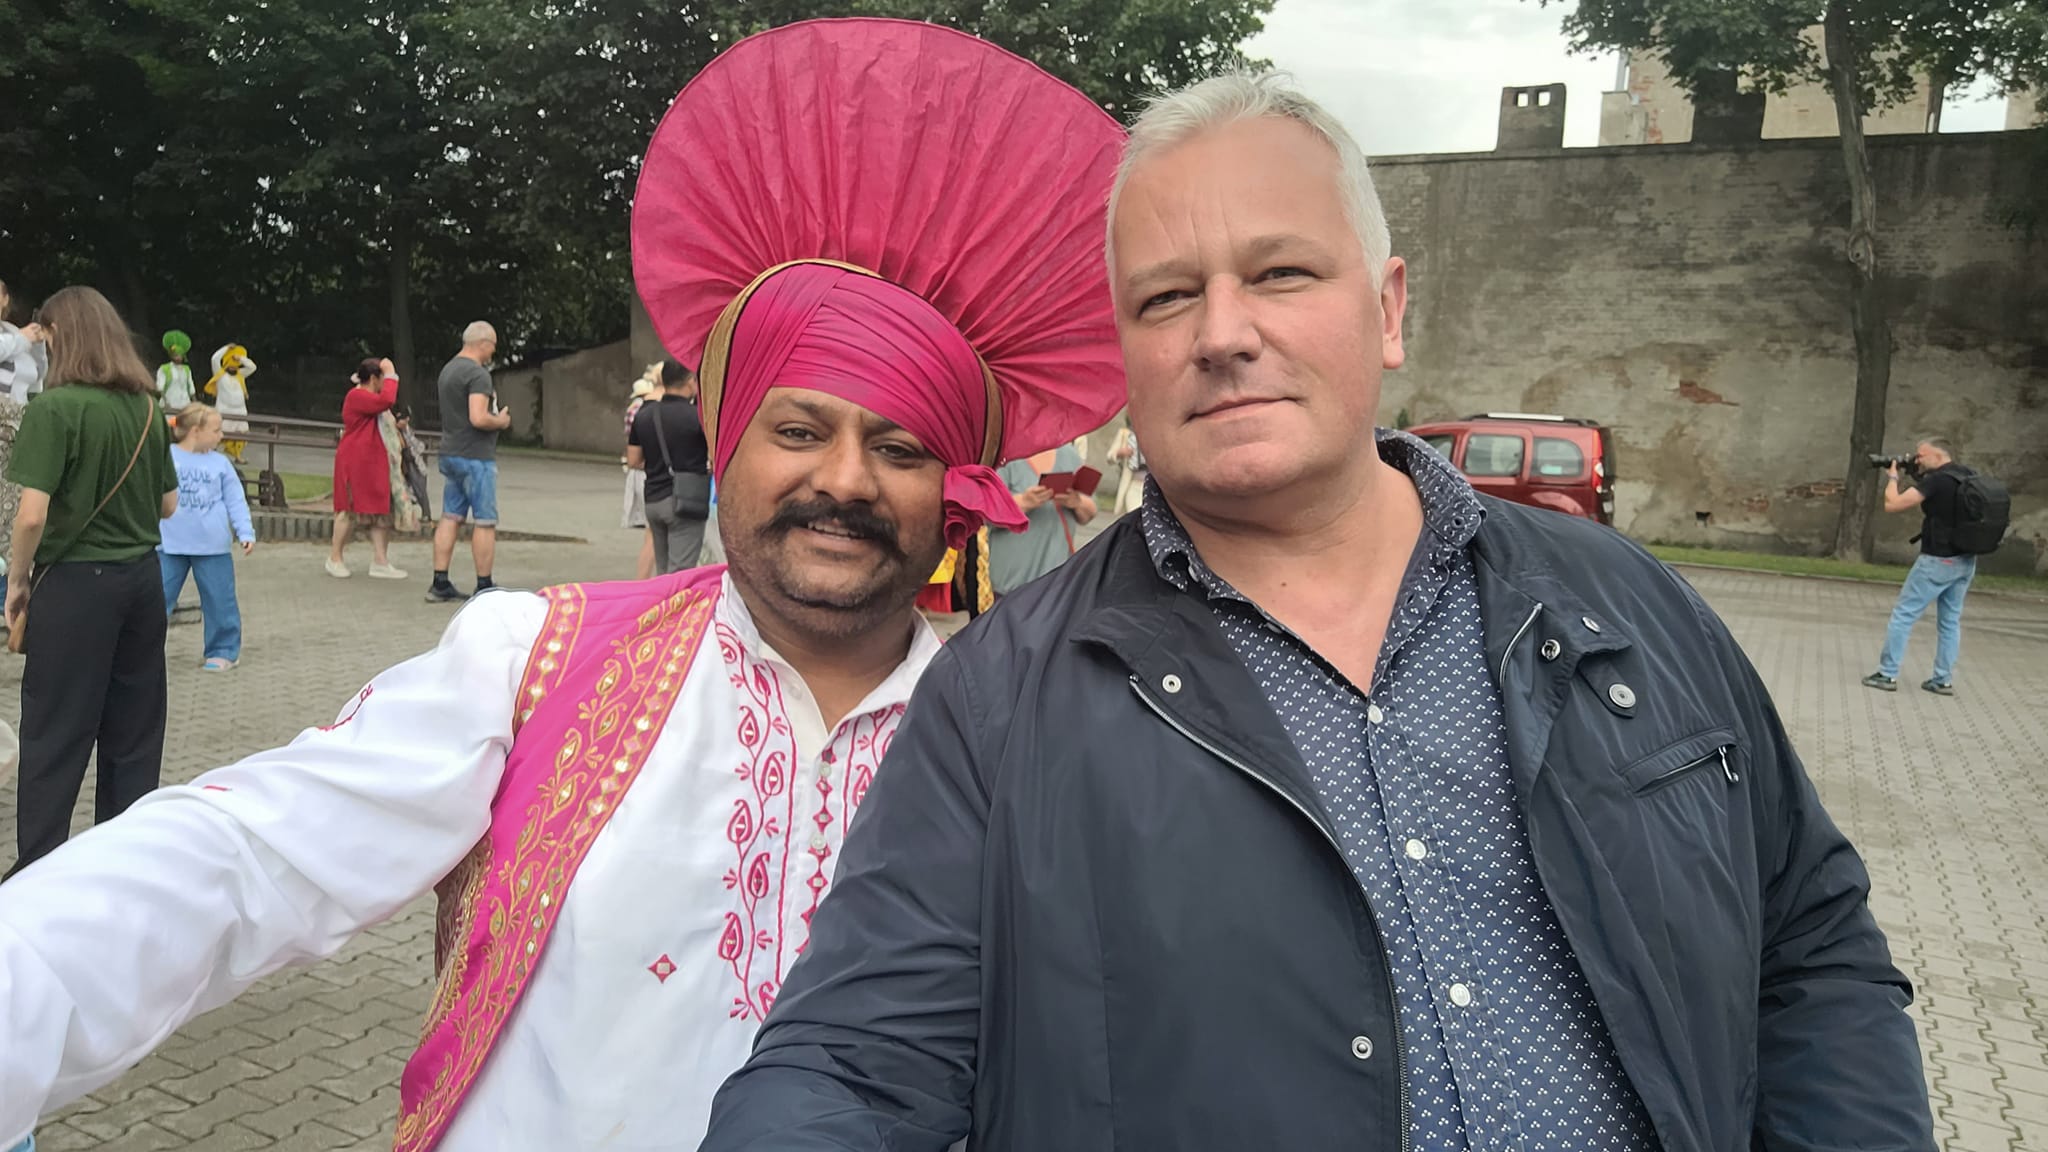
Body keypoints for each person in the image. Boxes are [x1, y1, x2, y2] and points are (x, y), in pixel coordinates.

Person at [700, 72, 1937, 1152]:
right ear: (1126, 356)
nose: (1220, 334)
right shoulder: (1002, 695)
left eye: (1278, 273)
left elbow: (1810, 949)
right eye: (1164, 298)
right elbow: (855, 1063)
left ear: (1386, 309)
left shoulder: (1626, 603)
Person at [0, 19, 1126, 1152]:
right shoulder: (537, 659)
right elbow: (247, 856)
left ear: (954, 488)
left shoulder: (1020, 738)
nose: (843, 480)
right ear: (727, 440)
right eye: (798, 429)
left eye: (899, 447)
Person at [3, 286, 180, 879]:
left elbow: (32, 515)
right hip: (143, 582)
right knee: (134, 733)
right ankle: (122, 869)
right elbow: (169, 505)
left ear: (61, 335)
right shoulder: (148, 407)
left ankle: (40, 872)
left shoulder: (55, 409)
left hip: (76, 584)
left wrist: (18, 582)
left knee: (56, 732)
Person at [1862, 438, 1983, 696]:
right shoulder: (1967, 475)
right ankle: (1942, 680)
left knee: (1903, 615)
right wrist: (1917, 474)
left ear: (1938, 456)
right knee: (1950, 621)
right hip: (1965, 560)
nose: (1917, 459)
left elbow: (1893, 504)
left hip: (1937, 560)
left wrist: (1893, 478)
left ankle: (1887, 674)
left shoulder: (1937, 481)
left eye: (1921, 456)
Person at [161, 404, 255, 671]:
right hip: (168, 543)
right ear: (195, 431)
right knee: (155, 600)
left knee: (219, 600)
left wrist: (245, 531)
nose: (221, 436)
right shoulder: (166, 457)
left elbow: (235, 500)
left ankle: (223, 650)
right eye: (216, 430)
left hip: (212, 546)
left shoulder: (221, 463)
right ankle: (142, 651)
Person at [428, 321, 508, 602]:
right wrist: (501, 421)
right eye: (493, 345)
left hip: (451, 452)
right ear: (483, 343)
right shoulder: (478, 374)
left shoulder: (448, 370)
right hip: (475, 457)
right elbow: (478, 417)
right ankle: (484, 585)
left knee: (450, 516)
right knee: (485, 521)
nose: (493, 351)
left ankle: (439, 581)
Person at [626, 359, 711, 575]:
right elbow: (714, 456)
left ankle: (662, 598)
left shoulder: (645, 415)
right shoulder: (698, 418)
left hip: (653, 500)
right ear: (690, 381)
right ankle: (675, 599)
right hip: (685, 501)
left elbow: (634, 460)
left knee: (663, 571)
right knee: (681, 573)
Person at [328, 358, 407, 580]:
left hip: (375, 462)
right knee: (347, 508)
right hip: (354, 460)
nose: (385, 382)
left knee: (381, 511)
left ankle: (380, 561)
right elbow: (387, 399)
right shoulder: (357, 396)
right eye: (383, 378)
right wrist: (392, 374)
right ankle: (335, 558)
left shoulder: (372, 400)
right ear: (373, 378)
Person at [986, 442, 1095, 596]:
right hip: (1011, 583)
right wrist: (1024, 501)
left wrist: (1076, 502)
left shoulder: (1070, 455)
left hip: (1056, 583)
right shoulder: (1004, 455)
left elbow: (1090, 511)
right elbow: (985, 511)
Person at [0, 279, 50, 576]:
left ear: (5, 299)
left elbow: (36, 378)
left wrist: (38, 346)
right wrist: (22, 338)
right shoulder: (16, 336)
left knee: (13, 509)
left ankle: (11, 576)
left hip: (18, 427)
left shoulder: (13, 332)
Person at [622, 364, 659, 579]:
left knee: (651, 532)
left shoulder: (633, 410)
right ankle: (646, 581)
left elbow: (632, 450)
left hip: (640, 470)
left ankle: (643, 580)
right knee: (655, 534)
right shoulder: (650, 411)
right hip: (654, 472)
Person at [204, 342, 255, 462]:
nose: (233, 367)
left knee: (242, 435)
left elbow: (252, 367)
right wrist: (226, 348)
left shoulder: (240, 375)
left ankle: (237, 456)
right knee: (221, 435)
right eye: (231, 364)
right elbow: (214, 359)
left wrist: (240, 358)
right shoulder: (220, 374)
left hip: (240, 411)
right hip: (224, 410)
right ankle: (214, 456)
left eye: (235, 365)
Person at [1109, 424, 1147, 517]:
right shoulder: (1125, 433)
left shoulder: (1157, 432)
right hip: (1134, 485)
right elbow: (1110, 457)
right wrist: (1119, 453)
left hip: (1153, 486)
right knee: (1135, 516)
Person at [155, 330, 195, 413]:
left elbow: (191, 388)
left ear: (183, 355)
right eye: (174, 354)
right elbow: (160, 388)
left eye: (179, 354)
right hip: (169, 407)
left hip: (185, 406)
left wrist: (195, 404)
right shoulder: (164, 368)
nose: (177, 356)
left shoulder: (187, 369)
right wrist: (166, 404)